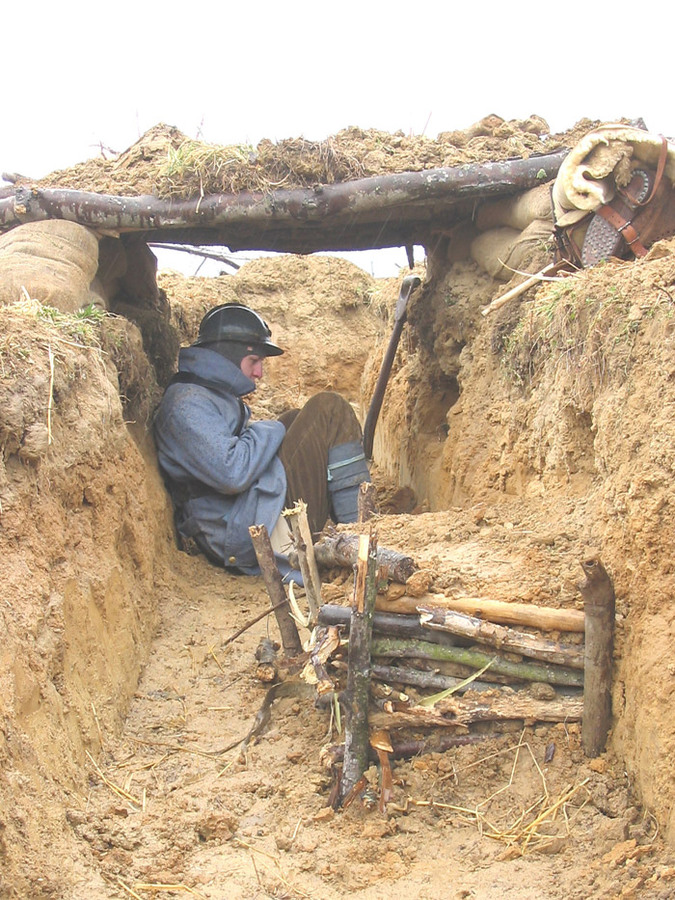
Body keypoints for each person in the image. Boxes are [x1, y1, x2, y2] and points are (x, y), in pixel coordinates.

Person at [153, 303, 371, 580]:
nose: (259, 373)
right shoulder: (186, 405)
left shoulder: (205, 394)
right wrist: (270, 428)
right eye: (253, 361)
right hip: (239, 531)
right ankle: (363, 536)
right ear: (228, 357)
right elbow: (232, 472)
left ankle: (357, 532)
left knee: (295, 419)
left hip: (244, 513)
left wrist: (279, 427)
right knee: (329, 409)